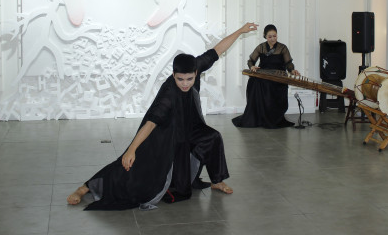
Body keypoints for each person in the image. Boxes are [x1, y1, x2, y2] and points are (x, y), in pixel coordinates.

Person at [66, 22, 258, 210]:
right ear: (173, 75)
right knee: (132, 171)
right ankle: (85, 187)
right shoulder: (169, 94)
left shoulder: (196, 66)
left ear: (196, 72)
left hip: (190, 126)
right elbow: (151, 123)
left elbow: (217, 50)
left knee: (213, 138)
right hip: (168, 133)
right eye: (180, 79)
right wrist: (131, 149)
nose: (185, 84)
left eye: (189, 79)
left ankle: (217, 181)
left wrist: (240, 31)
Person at [232, 24, 300, 129]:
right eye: (270, 36)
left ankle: (272, 118)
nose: (272, 39)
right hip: (263, 74)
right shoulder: (261, 47)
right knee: (254, 81)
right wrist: (252, 66)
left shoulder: (282, 48)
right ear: (265, 36)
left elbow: (288, 63)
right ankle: (258, 117)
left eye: (274, 36)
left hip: (278, 76)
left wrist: (292, 70)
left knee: (270, 84)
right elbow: (251, 60)